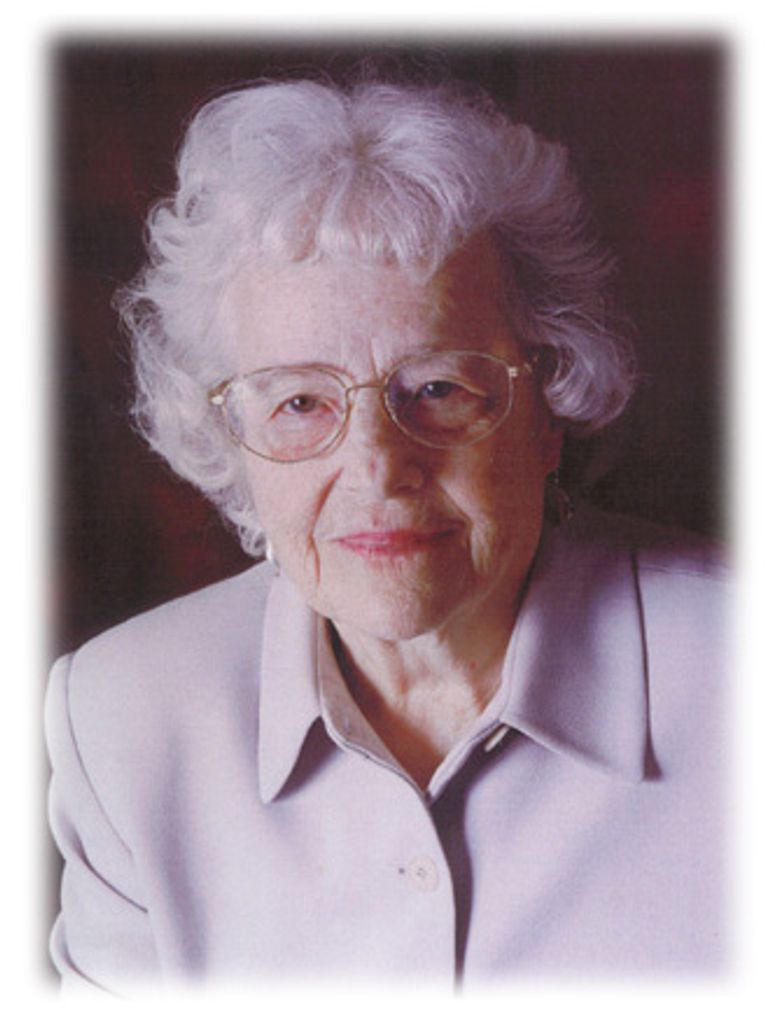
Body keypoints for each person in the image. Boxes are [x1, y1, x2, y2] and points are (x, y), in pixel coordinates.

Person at [46, 75, 728, 991]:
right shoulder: (123, 719)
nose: (377, 466)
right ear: (230, 443)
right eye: (300, 402)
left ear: (547, 408)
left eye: (438, 388)